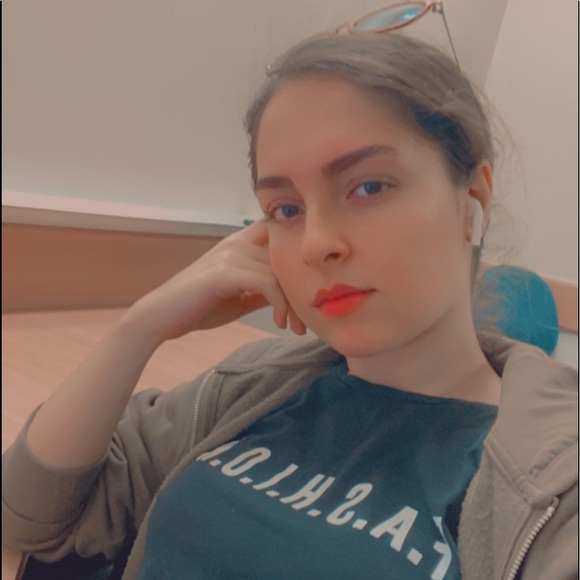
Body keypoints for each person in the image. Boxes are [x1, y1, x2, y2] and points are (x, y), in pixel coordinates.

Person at [2, 10, 578, 580]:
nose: (316, 243)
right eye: (285, 209)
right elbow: (27, 517)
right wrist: (143, 325)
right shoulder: (252, 387)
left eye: (369, 186)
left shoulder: (553, 480)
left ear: (473, 199)